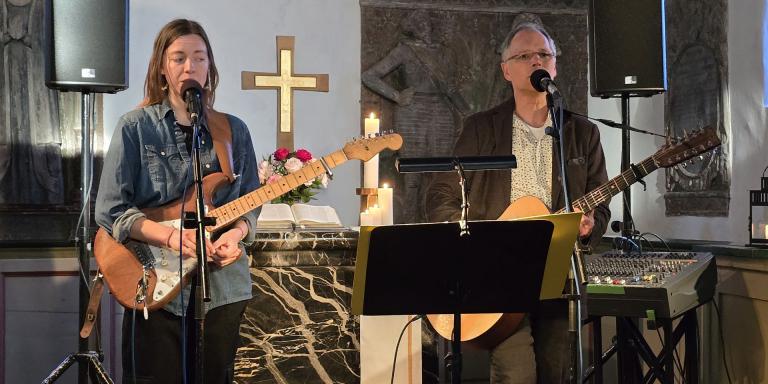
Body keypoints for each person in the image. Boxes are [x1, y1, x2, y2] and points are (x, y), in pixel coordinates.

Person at [425, 21, 610, 384]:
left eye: (543, 54)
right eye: (524, 55)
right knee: (517, 375)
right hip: (498, 275)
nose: (535, 61)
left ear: (554, 67)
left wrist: (588, 227)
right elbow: (441, 194)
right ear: (506, 70)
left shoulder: (582, 132)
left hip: (558, 274)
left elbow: (599, 205)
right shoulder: (480, 128)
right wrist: (472, 244)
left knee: (558, 372)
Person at [95, 19, 260, 383]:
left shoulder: (234, 131)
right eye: (179, 57)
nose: (190, 67)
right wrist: (170, 237)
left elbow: (249, 200)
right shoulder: (135, 127)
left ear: (209, 68)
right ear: (162, 68)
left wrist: (236, 235)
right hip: (153, 283)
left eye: (199, 58)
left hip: (224, 288)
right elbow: (110, 209)